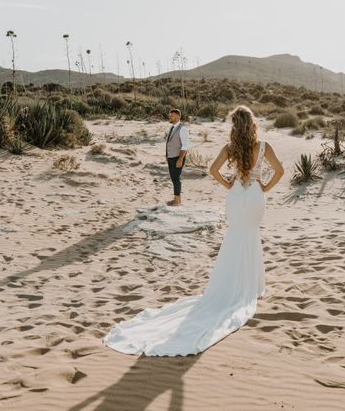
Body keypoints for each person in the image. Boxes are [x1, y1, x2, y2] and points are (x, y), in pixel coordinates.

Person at [102, 105, 284, 356]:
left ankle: (233, 285)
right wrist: (264, 186)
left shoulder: (230, 148)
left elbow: (212, 171)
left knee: (235, 236)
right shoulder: (263, 146)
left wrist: (228, 183)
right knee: (250, 234)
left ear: (234, 126)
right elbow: (280, 171)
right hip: (253, 196)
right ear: (252, 124)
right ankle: (250, 285)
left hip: (236, 195)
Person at [165, 109, 189, 206]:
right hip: (171, 157)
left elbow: (185, 146)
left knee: (176, 179)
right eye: (170, 115)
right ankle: (177, 200)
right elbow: (169, 143)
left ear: (178, 116)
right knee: (173, 178)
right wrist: (166, 155)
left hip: (177, 158)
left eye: (172, 116)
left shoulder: (183, 129)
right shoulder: (172, 128)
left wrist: (180, 159)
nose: (170, 117)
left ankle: (176, 200)